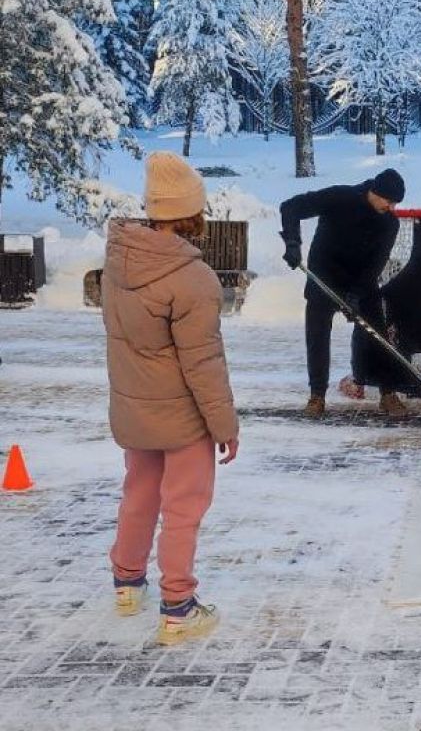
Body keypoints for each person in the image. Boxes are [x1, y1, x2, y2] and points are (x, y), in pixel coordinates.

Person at [102, 151, 239, 645]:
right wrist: (225, 426)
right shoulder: (191, 278)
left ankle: (126, 583)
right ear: (192, 212)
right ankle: (178, 606)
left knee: (139, 492)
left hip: (133, 408)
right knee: (182, 508)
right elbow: (203, 364)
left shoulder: (119, 260)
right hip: (181, 418)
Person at [280, 169, 406, 417]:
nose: (391, 207)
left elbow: (376, 264)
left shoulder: (389, 223)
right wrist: (293, 243)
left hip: (362, 281)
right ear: (375, 192)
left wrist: (356, 295)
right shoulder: (339, 198)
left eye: (395, 203)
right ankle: (317, 396)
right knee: (317, 336)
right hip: (324, 279)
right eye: (389, 201)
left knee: (377, 334)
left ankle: (388, 393)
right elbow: (290, 207)